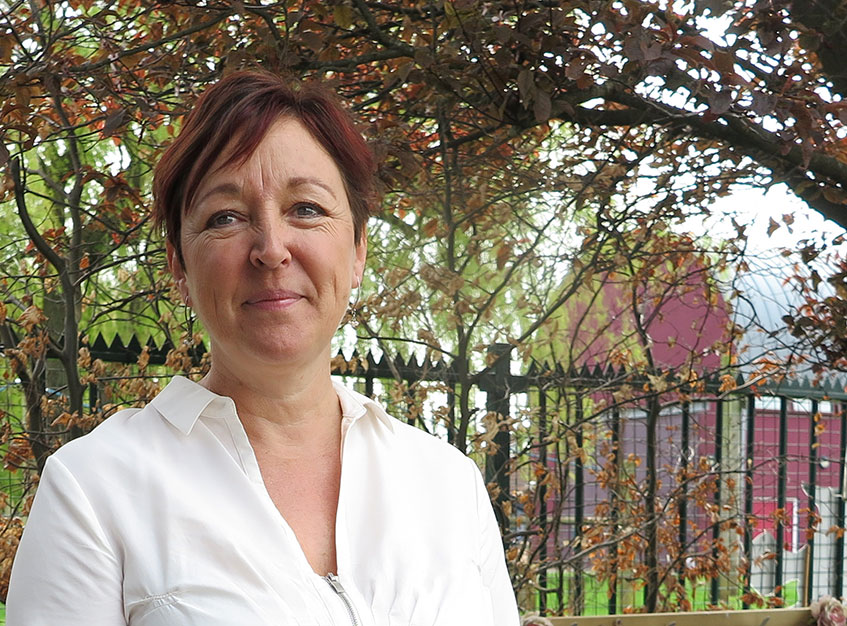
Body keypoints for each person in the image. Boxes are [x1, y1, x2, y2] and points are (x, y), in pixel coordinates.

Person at [6, 70, 518, 625]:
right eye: (226, 217)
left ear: (358, 250)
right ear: (180, 265)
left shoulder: (446, 483)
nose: (272, 250)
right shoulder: (95, 488)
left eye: (307, 209)